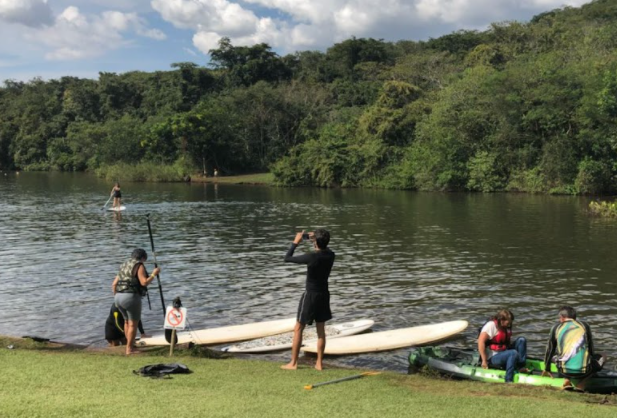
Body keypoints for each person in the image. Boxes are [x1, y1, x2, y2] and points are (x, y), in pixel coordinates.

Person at [281, 229, 335, 371]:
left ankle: (293, 363)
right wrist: (317, 239)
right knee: (321, 330)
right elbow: (325, 248)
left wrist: (296, 242)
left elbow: (287, 258)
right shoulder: (331, 255)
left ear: (315, 242)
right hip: (324, 295)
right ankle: (319, 364)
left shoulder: (311, 257)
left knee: (299, 328)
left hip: (310, 295)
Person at [541, 306, 604, 390]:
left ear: (562, 318)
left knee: (555, 357)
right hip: (584, 372)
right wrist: (592, 365)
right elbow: (590, 349)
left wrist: (547, 369)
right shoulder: (584, 325)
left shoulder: (556, 328)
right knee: (603, 356)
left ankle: (566, 380)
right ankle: (582, 384)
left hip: (563, 372)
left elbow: (550, 350)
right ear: (575, 318)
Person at [111, 248, 160, 355]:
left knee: (126, 322)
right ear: (142, 258)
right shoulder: (139, 265)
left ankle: (130, 344)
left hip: (118, 297)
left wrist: (116, 297)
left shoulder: (124, 265)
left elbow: (114, 284)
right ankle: (130, 349)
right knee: (133, 324)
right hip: (131, 297)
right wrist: (153, 274)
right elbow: (144, 282)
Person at [477, 309, 527, 383]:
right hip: (493, 357)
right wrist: (484, 361)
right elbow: (480, 342)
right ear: (502, 320)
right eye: (508, 322)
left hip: (504, 351)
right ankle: (508, 379)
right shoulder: (491, 325)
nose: (510, 324)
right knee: (513, 353)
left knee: (522, 340)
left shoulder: (506, 327)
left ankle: (520, 366)